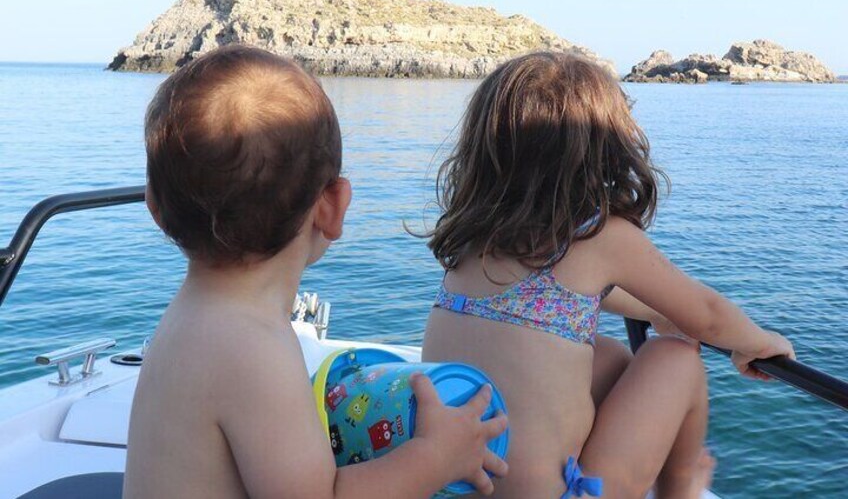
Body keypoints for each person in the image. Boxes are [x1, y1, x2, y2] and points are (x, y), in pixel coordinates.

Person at [124, 45, 508, 499]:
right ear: (332, 208)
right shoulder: (254, 349)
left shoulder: (194, 317)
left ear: (154, 206)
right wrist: (437, 456)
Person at [420, 52, 794, 498]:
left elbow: (556, 295)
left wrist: (656, 312)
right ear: (604, 150)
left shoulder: (474, 240)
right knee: (675, 357)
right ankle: (681, 488)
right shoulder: (601, 236)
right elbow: (709, 316)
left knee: (612, 356)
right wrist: (759, 342)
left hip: (448, 485)